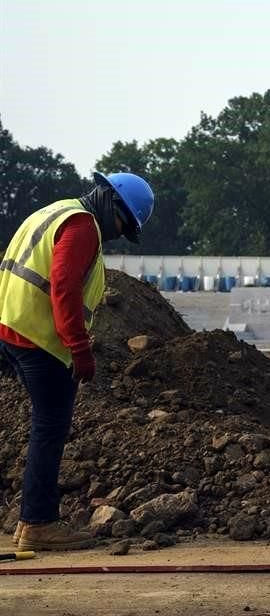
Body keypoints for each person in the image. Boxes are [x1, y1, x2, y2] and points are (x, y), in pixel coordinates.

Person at [0, 171, 154, 551]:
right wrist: (80, 348)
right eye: (123, 223)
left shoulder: (53, 211)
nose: (119, 232)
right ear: (110, 202)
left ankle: (29, 524)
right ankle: (38, 523)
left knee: (45, 426)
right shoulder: (83, 226)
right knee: (49, 427)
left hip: (9, 326)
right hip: (39, 339)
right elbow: (64, 285)